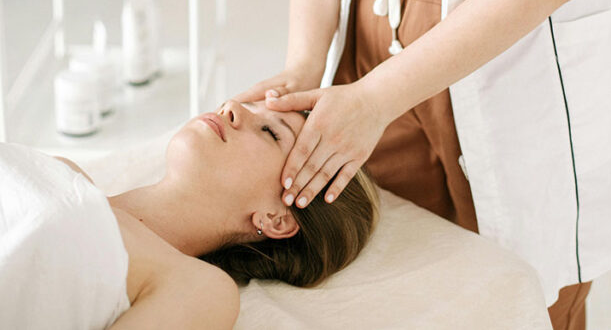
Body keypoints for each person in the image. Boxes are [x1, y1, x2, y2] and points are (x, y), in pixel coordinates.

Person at [236, 0, 611, 328]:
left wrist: (375, 99)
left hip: (518, 42)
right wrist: (304, 63)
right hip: (374, 30)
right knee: (390, 283)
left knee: (530, 295)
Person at [0, 100, 379, 329]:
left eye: (269, 131)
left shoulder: (201, 290)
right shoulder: (66, 172)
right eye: (253, 106)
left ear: (277, 217)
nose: (232, 106)